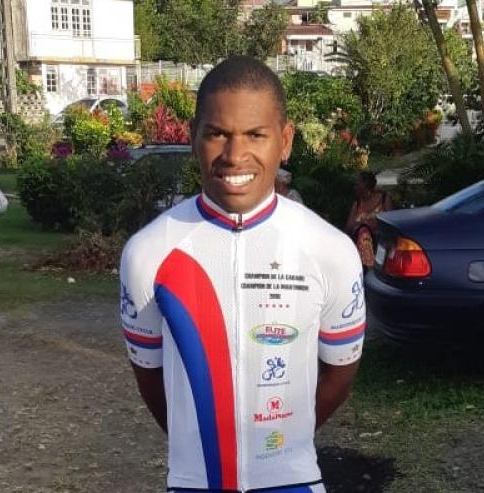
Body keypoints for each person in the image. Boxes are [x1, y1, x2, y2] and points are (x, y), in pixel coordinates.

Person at [120, 56, 365, 493]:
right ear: (194, 138)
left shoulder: (330, 250)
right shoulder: (148, 252)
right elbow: (150, 378)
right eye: (217, 134)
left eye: (256, 134)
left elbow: (340, 372)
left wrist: (283, 443)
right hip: (194, 482)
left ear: (284, 141)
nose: (235, 156)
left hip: (294, 482)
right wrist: (202, 450)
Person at [344, 171, 393, 269]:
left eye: (357, 184)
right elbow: (349, 227)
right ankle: (369, 267)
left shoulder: (383, 199)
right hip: (361, 241)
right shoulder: (357, 204)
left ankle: (373, 267)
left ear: (365, 185)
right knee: (363, 231)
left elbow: (391, 223)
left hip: (380, 240)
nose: (355, 187)